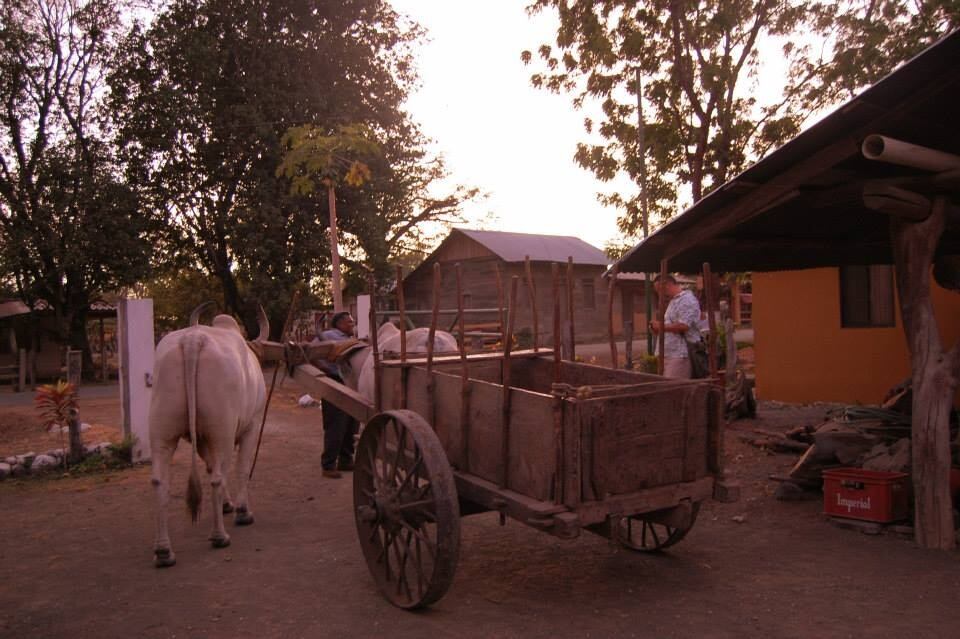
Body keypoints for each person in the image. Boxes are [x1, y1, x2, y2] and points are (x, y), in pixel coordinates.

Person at [313, 311, 359, 479]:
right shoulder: (328, 335)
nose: (352, 324)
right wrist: (323, 369)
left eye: (353, 322)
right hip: (335, 381)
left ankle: (346, 460)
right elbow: (310, 353)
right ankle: (328, 465)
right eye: (349, 322)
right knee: (336, 424)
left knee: (352, 423)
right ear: (338, 324)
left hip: (352, 383)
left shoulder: (354, 338)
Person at [650, 274, 702, 379]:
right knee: (667, 389)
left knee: (673, 389)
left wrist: (660, 326)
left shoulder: (686, 300)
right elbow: (670, 326)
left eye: (659, 290)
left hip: (679, 354)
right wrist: (657, 329)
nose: (660, 295)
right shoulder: (674, 301)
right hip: (669, 354)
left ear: (667, 285)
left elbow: (684, 325)